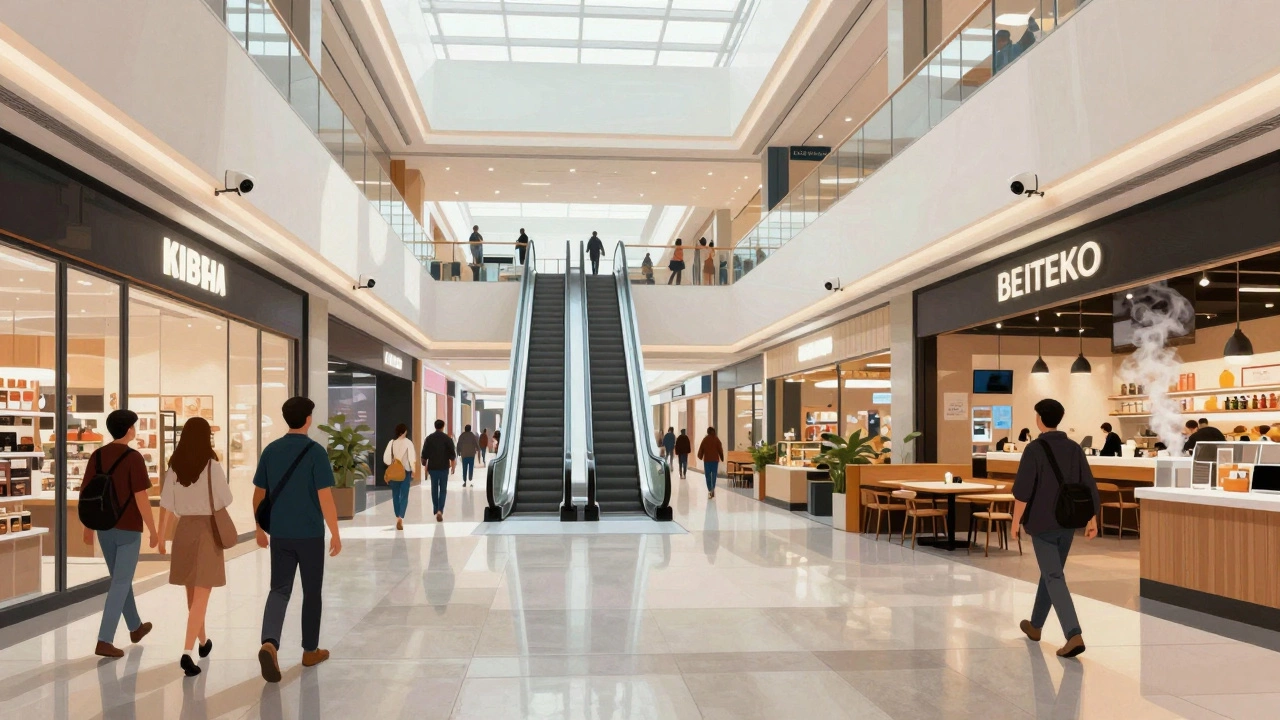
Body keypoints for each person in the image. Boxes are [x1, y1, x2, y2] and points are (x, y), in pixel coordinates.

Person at [254, 397, 342, 683]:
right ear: (307, 419)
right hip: (310, 534)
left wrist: (258, 528)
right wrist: (336, 532)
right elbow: (324, 496)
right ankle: (309, 650)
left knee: (278, 590)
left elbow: (259, 495)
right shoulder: (315, 452)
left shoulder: (271, 450)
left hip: (280, 534)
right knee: (312, 591)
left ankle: (270, 642)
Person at [1011, 398, 1100, 659]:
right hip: (1068, 520)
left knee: (1053, 576)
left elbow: (1023, 491)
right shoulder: (1074, 448)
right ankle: (1035, 626)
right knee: (1051, 573)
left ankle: (1073, 634)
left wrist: (1015, 522)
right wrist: (1092, 518)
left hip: (1042, 522)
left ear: (1039, 418)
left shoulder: (1034, 449)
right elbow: (1088, 484)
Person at [157, 417, 231, 676]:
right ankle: (187, 652)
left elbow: (165, 504)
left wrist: (159, 537)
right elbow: (226, 499)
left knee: (192, 596)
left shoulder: (173, 467)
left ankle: (203, 642)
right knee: (202, 596)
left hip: (182, 530)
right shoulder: (212, 466)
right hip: (207, 530)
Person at [86, 409, 158, 659]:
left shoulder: (96, 456)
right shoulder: (134, 458)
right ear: (128, 429)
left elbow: (88, 494)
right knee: (120, 581)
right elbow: (141, 498)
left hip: (104, 527)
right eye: (134, 426)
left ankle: (135, 627)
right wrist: (153, 529)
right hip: (128, 528)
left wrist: (87, 528)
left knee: (120, 578)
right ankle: (104, 640)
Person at [421, 419, 457, 522]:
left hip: (433, 467)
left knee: (434, 488)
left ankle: (436, 509)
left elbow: (424, 454)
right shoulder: (447, 439)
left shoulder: (429, 438)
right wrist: (453, 467)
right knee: (443, 489)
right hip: (444, 468)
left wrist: (424, 465)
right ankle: (440, 510)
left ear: (435, 426)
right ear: (443, 426)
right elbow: (452, 455)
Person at [382, 423, 417, 530]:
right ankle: (401, 517)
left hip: (394, 472)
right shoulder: (408, 443)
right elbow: (412, 458)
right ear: (405, 431)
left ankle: (397, 516)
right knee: (404, 495)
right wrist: (414, 470)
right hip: (405, 472)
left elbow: (386, 459)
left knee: (395, 495)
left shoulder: (391, 443)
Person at [697, 427, 725, 499]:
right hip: (715, 460)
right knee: (714, 475)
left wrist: (700, 456)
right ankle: (713, 488)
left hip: (707, 460)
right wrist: (722, 457)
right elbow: (720, 449)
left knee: (707, 475)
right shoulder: (716, 439)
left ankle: (710, 489)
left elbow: (701, 448)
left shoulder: (705, 439)